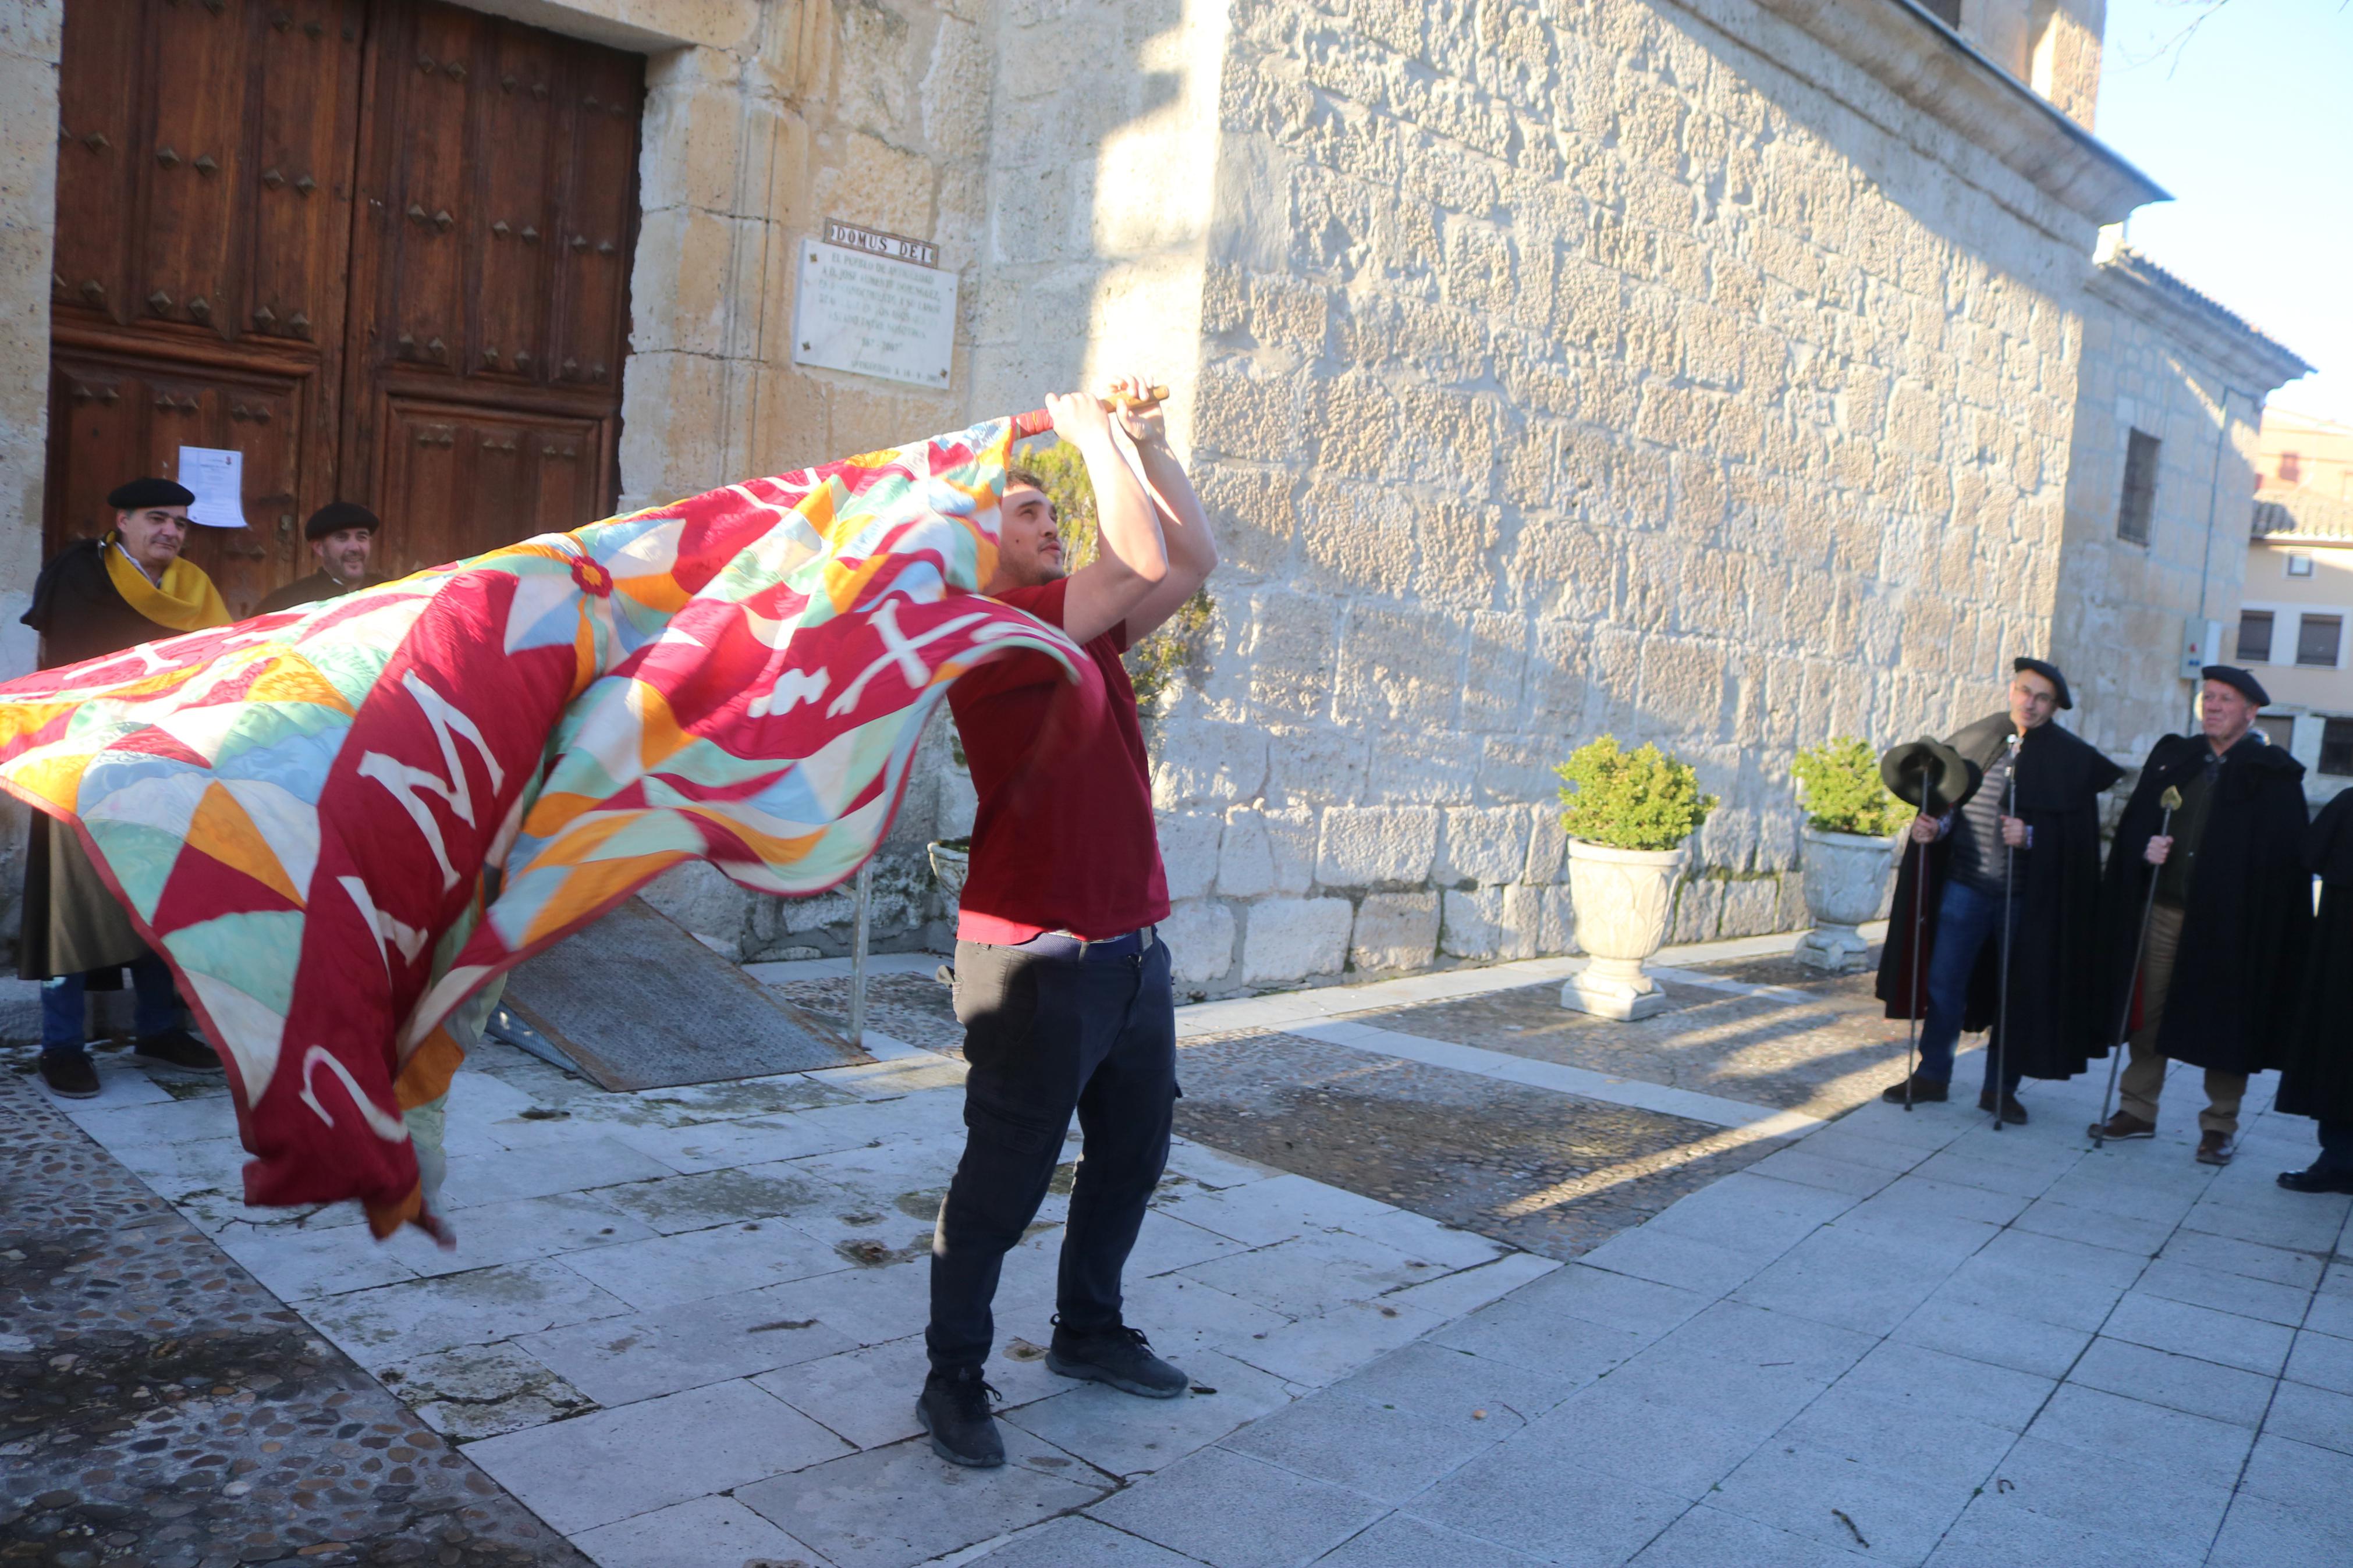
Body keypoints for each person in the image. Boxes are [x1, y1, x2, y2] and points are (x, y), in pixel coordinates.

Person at [917, 376, 1218, 1468]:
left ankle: (1088, 1332)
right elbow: (1132, 558)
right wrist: (1090, 442)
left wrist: (1148, 442)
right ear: (972, 546)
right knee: (999, 1182)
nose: (1049, 523)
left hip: (1130, 954)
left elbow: (1186, 562)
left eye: (1053, 509)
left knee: (1131, 1158)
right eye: (1027, 511)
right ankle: (953, 1376)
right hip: (1031, 957)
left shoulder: (1080, 634)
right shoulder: (991, 636)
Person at [19, 478, 232, 1096]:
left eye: (181, 523)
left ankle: (159, 1030)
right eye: (158, 519)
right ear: (124, 521)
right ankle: (63, 1045)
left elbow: (217, 669)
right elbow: (62, 670)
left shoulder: (196, 590)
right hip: (78, 762)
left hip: (161, 767)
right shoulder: (83, 576)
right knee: (70, 903)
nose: (171, 532)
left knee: (159, 902)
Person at [1875, 660, 2123, 1122]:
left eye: (2041, 697)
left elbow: (2078, 841)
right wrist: (1933, 826)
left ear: (2054, 707)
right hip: (1964, 888)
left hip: (2025, 901)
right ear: (2011, 690)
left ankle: (1999, 1088)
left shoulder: (2068, 759)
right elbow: (1951, 803)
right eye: (2024, 691)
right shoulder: (1979, 738)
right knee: (1944, 984)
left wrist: (2030, 838)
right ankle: (1932, 1074)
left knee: (2018, 991)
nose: (2029, 703)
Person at [2088, 667, 2312, 1164]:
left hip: (2229, 922)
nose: (2212, 706)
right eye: (2207, 698)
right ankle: (2137, 1109)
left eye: (2224, 700)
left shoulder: (2272, 773)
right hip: (2164, 911)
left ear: (2250, 712)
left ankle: (2218, 1125)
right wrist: (2145, 849)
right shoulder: (2175, 759)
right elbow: (2134, 827)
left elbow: (2284, 861)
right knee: (2148, 1014)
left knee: (2224, 1020)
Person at [2275, 786, 2353, 1193]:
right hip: (2342, 959)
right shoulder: (2348, 802)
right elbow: (2309, 854)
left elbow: (2312, 855)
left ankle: (2340, 1160)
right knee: (2339, 1052)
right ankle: (2339, 1161)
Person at [255, 502, 389, 614]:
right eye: (342, 538)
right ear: (319, 548)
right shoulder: (286, 603)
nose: (354, 548)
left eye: (362, 537)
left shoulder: (392, 594)